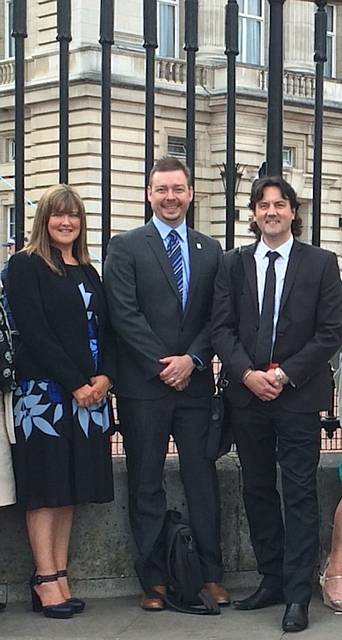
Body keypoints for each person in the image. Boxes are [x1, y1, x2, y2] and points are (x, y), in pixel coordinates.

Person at [211, 175, 342, 632]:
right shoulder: (233, 264)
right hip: (247, 397)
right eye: (263, 205)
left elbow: (330, 331)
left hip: (298, 395)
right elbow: (221, 328)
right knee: (258, 489)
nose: (271, 212)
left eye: (280, 204)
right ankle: (270, 579)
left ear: (293, 212)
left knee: (300, 493)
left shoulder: (323, 264)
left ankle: (297, 593)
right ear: (252, 213)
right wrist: (247, 374)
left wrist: (283, 374)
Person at [104, 156, 229, 610]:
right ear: (149, 194)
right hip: (144, 386)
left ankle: (210, 575)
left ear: (191, 193)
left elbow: (217, 317)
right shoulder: (125, 246)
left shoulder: (209, 250)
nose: (170, 197)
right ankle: (154, 580)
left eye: (178, 189)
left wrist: (192, 360)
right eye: (162, 189)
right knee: (145, 482)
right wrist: (164, 365)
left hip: (194, 386)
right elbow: (123, 314)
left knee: (202, 480)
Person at [7, 184, 115, 619]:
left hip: (90, 397)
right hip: (45, 395)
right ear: (43, 220)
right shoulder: (25, 266)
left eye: (73, 215)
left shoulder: (89, 270)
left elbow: (107, 330)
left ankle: (61, 573)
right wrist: (75, 383)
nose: (66, 221)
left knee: (70, 488)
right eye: (58, 215)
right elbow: (34, 332)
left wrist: (106, 376)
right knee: (45, 489)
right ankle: (43, 577)